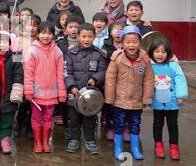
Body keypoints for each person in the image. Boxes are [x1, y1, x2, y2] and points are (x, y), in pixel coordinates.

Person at [105, 25, 154, 161]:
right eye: (127, 42)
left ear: (140, 43)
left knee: (135, 123)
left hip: (136, 100)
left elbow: (149, 79)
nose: (131, 45)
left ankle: (135, 148)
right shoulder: (117, 58)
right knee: (119, 123)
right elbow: (110, 78)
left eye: (135, 42)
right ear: (122, 43)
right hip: (119, 99)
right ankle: (118, 148)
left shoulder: (144, 59)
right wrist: (110, 98)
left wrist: (147, 98)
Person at [24, 21, 67, 153]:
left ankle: (45, 142)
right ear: (38, 34)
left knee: (48, 118)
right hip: (37, 94)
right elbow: (28, 73)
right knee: (36, 118)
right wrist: (29, 92)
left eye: (49, 33)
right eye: (43, 33)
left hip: (52, 94)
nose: (46, 36)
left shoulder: (58, 52)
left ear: (53, 35)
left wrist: (62, 93)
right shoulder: (32, 51)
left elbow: (61, 74)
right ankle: (37, 142)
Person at [64, 23, 107, 154]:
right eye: (83, 36)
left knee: (90, 120)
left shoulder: (98, 54)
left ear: (94, 37)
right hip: (74, 95)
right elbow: (66, 72)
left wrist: (95, 79)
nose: (87, 39)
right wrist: (71, 86)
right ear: (78, 36)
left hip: (92, 97)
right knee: (74, 120)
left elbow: (103, 71)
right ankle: (74, 139)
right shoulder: (71, 53)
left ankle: (90, 140)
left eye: (90, 36)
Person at [149, 38, 188, 160]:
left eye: (163, 51)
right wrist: (146, 97)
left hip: (172, 102)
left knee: (172, 125)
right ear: (151, 53)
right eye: (157, 51)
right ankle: (158, 144)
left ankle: (174, 146)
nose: (160, 54)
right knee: (157, 124)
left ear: (168, 53)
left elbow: (180, 79)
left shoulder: (173, 65)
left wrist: (181, 95)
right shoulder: (149, 66)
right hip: (157, 101)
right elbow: (145, 82)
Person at [14, 14, 41, 139]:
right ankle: (19, 124)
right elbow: (15, 59)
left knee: (34, 104)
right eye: (29, 25)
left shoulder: (41, 41)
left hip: (37, 77)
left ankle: (30, 127)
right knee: (24, 103)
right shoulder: (19, 40)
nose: (32, 28)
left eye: (35, 25)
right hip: (23, 75)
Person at [100, 21, 125, 141]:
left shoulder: (129, 45)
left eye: (121, 30)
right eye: (115, 30)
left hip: (125, 80)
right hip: (109, 80)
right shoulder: (106, 46)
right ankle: (109, 127)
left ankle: (124, 127)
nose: (118, 33)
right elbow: (103, 64)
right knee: (109, 104)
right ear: (110, 32)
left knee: (122, 104)